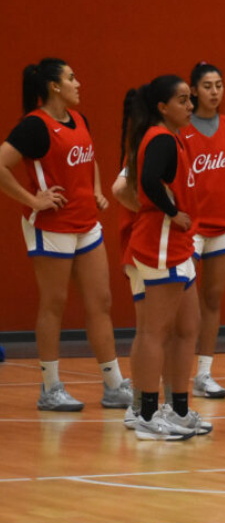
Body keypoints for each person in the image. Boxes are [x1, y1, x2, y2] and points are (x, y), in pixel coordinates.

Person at [0, 58, 132, 411]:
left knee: (100, 302)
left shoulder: (79, 120)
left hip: (86, 223)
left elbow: (88, 158)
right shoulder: (34, 126)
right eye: (72, 78)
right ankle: (50, 388)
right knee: (54, 305)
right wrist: (32, 200)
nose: (78, 83)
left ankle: (114, 386)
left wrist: (97, 189)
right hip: (51, 226)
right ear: (54, 86)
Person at [121, 75, 207, 441]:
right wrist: (173, 212)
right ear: (162, 107)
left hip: (178, 246)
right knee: (154, 331)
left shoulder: (171, 139)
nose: (191, 106)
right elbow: (147, 182)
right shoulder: (159, 139)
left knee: (188, 327)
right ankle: (145, 414)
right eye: (184, 100)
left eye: (190, 99)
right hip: (160, 244)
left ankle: (179, 408)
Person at [181, 62, 225, 400]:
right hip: (190, 228)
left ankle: (204, 374)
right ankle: (174, 375)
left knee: (212, 299)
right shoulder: (181, 127)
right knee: (184, 303)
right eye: (207, 85)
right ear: (193, 91)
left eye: (219, 85)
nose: (214, 91)